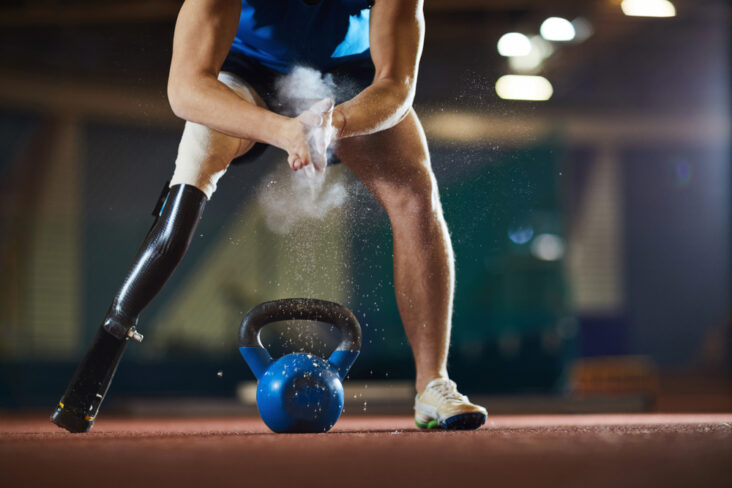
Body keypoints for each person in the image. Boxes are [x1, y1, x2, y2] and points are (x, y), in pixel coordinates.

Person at [51, 0, 486, 433]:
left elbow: (395, 86)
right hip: (244, 74)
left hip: (352, 78)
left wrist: (333, 125)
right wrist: (284, 130)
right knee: (193, 171)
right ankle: (100, 361)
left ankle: (433, 384)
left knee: (415, 195)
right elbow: (184, 88)